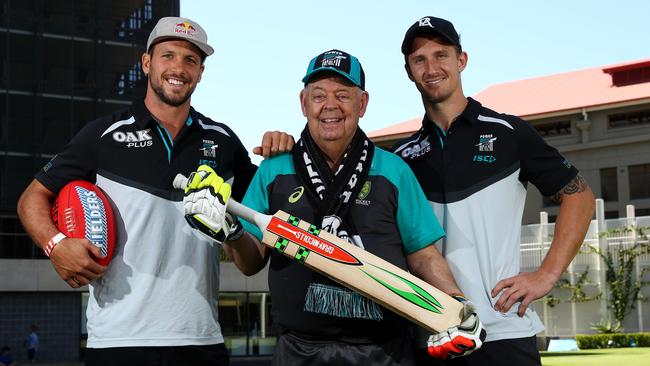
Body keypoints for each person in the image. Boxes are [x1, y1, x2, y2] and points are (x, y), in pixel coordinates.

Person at [179, 49, 486, 366]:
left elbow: (423, 255)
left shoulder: (394, 171)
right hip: (299, 352)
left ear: (362, 103)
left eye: (343, 95)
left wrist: (457, 303)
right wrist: (232, 233)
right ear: (303, 102)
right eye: (318, 95)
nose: (330, 106)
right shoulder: (273, 171)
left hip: (383, 352)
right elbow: (250, 261)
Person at [17, 16, 292, 366]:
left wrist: (279, 155)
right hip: (117, 342)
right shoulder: (103, 135)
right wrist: (55, 245)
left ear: (201, 72)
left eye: (191, 60)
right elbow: (31, 198)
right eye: (168, 55)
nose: (179, 67)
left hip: (201, 340)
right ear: (147, 63)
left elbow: (253, 260)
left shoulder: (223, 142)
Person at [394, 16, 596, 365]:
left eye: (441, 54)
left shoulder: (509, 133)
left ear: (462, 60)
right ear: (409, 71)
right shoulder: (401, 157)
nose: (431, 67)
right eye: (419, 59)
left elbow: (579, 196)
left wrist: (546, 275)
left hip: (503, 330)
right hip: (431, 333)